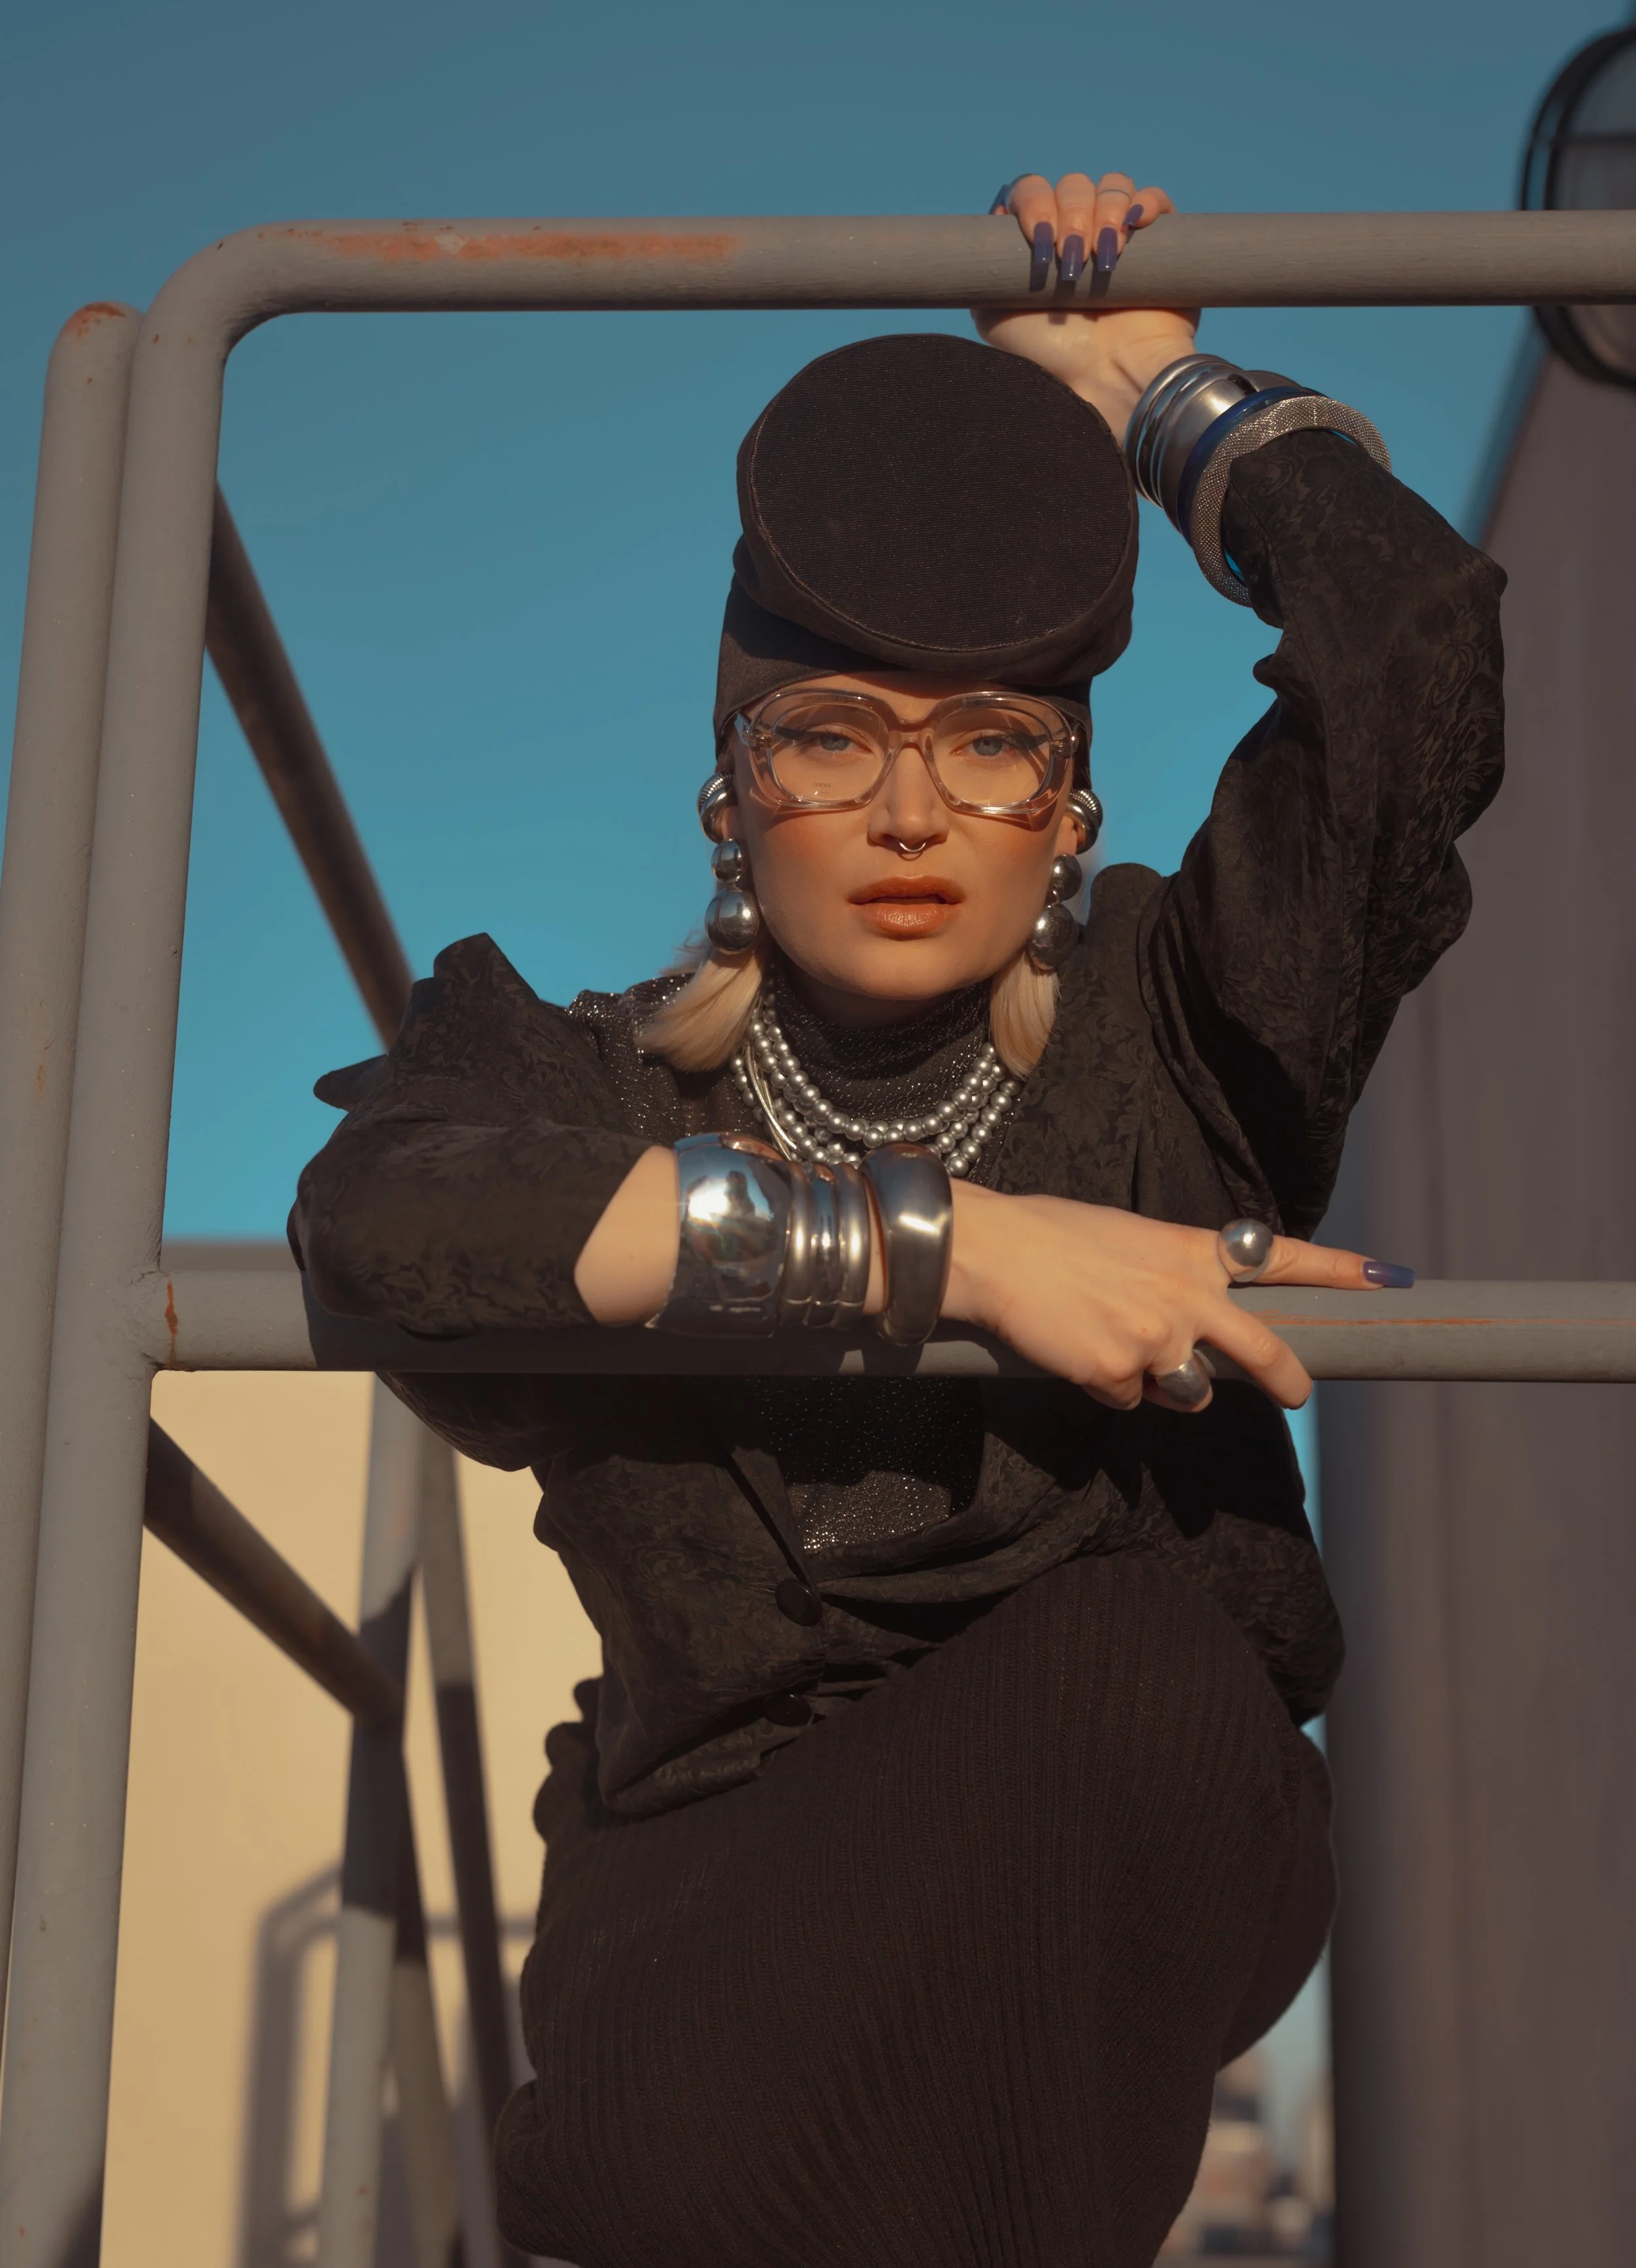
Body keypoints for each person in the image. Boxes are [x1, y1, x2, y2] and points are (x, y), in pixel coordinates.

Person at [291, 168, 1504, 2268]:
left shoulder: (1182, 1033)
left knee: (1136, 1660)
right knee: (663, 2142)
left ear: (1072, 805)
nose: (917, 810)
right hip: (721, 1892)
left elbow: (1407, 666)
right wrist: (948, 1248)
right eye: (829, 736)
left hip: (1121, 1836)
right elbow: (384, 1219)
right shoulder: (578, 1075)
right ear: (728, 786)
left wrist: (1151, 394)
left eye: (994, 745)